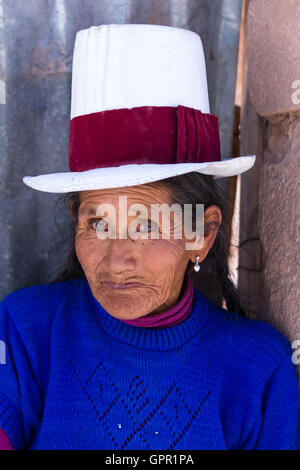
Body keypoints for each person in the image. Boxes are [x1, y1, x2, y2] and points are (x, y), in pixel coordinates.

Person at [0, 24, 299, 450]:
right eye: (98, 224)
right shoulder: (24, 332)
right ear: (75, 218)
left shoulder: (258, 369)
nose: (116, 259)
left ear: (202, 233)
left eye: (146, 226)